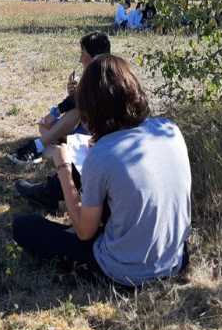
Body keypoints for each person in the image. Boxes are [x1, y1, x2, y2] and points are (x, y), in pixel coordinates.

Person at [13, 55, 191, 288]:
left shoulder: (103, 154)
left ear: (91, 108)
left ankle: (52, 204)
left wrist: (63, 167)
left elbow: (84, 232)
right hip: (175, 259)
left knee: (23, 227)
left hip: (124, 271)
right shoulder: (170, 129)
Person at [8, 32, 111, 165]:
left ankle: (40, 147)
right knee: (44, 124)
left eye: (83, 53)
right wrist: (73, 93)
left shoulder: (104, 74)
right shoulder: (102, 70)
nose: (80, 59)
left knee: (75, 112)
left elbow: (81, 103)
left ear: (94, 55)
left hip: (100, 136)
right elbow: (81, 100)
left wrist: (56, 111)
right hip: (87, 130)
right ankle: (56, 149)